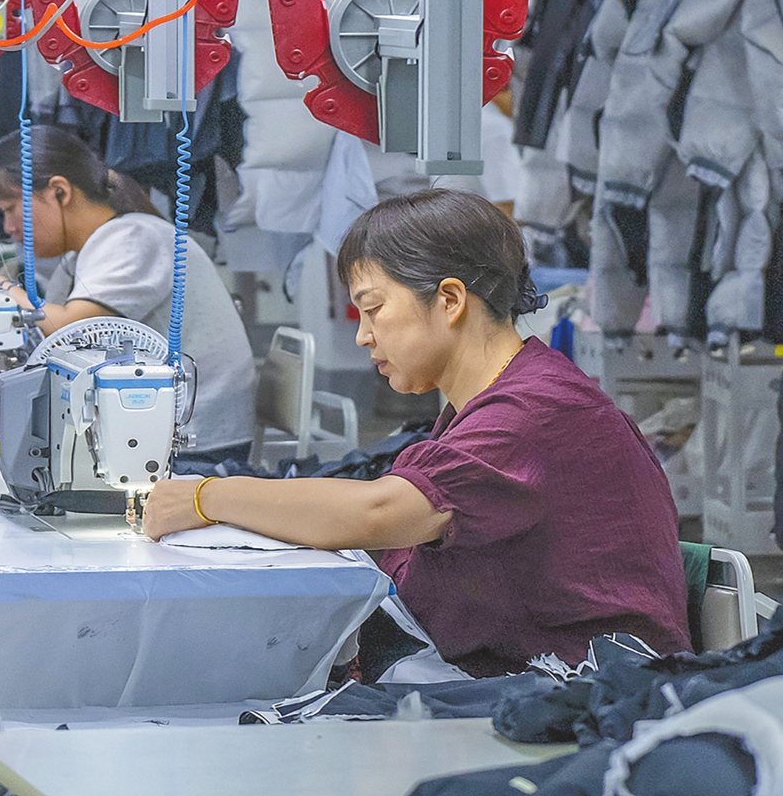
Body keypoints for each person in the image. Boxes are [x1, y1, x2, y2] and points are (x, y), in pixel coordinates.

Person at [138, 188, 690, 676]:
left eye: (373, 310)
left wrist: (205, 497)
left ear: (449, 300)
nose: (363, 336)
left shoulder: (535, 410)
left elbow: (380, 512)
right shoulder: (495, 398)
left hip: (579, 693)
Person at [0, 126, 257, 459]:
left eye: (10, 208)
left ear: (59, 191)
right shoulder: (88, 252)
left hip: (196, 446)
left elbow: (68, 330)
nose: (8, 228)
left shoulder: (134, 239)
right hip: (155, 432)